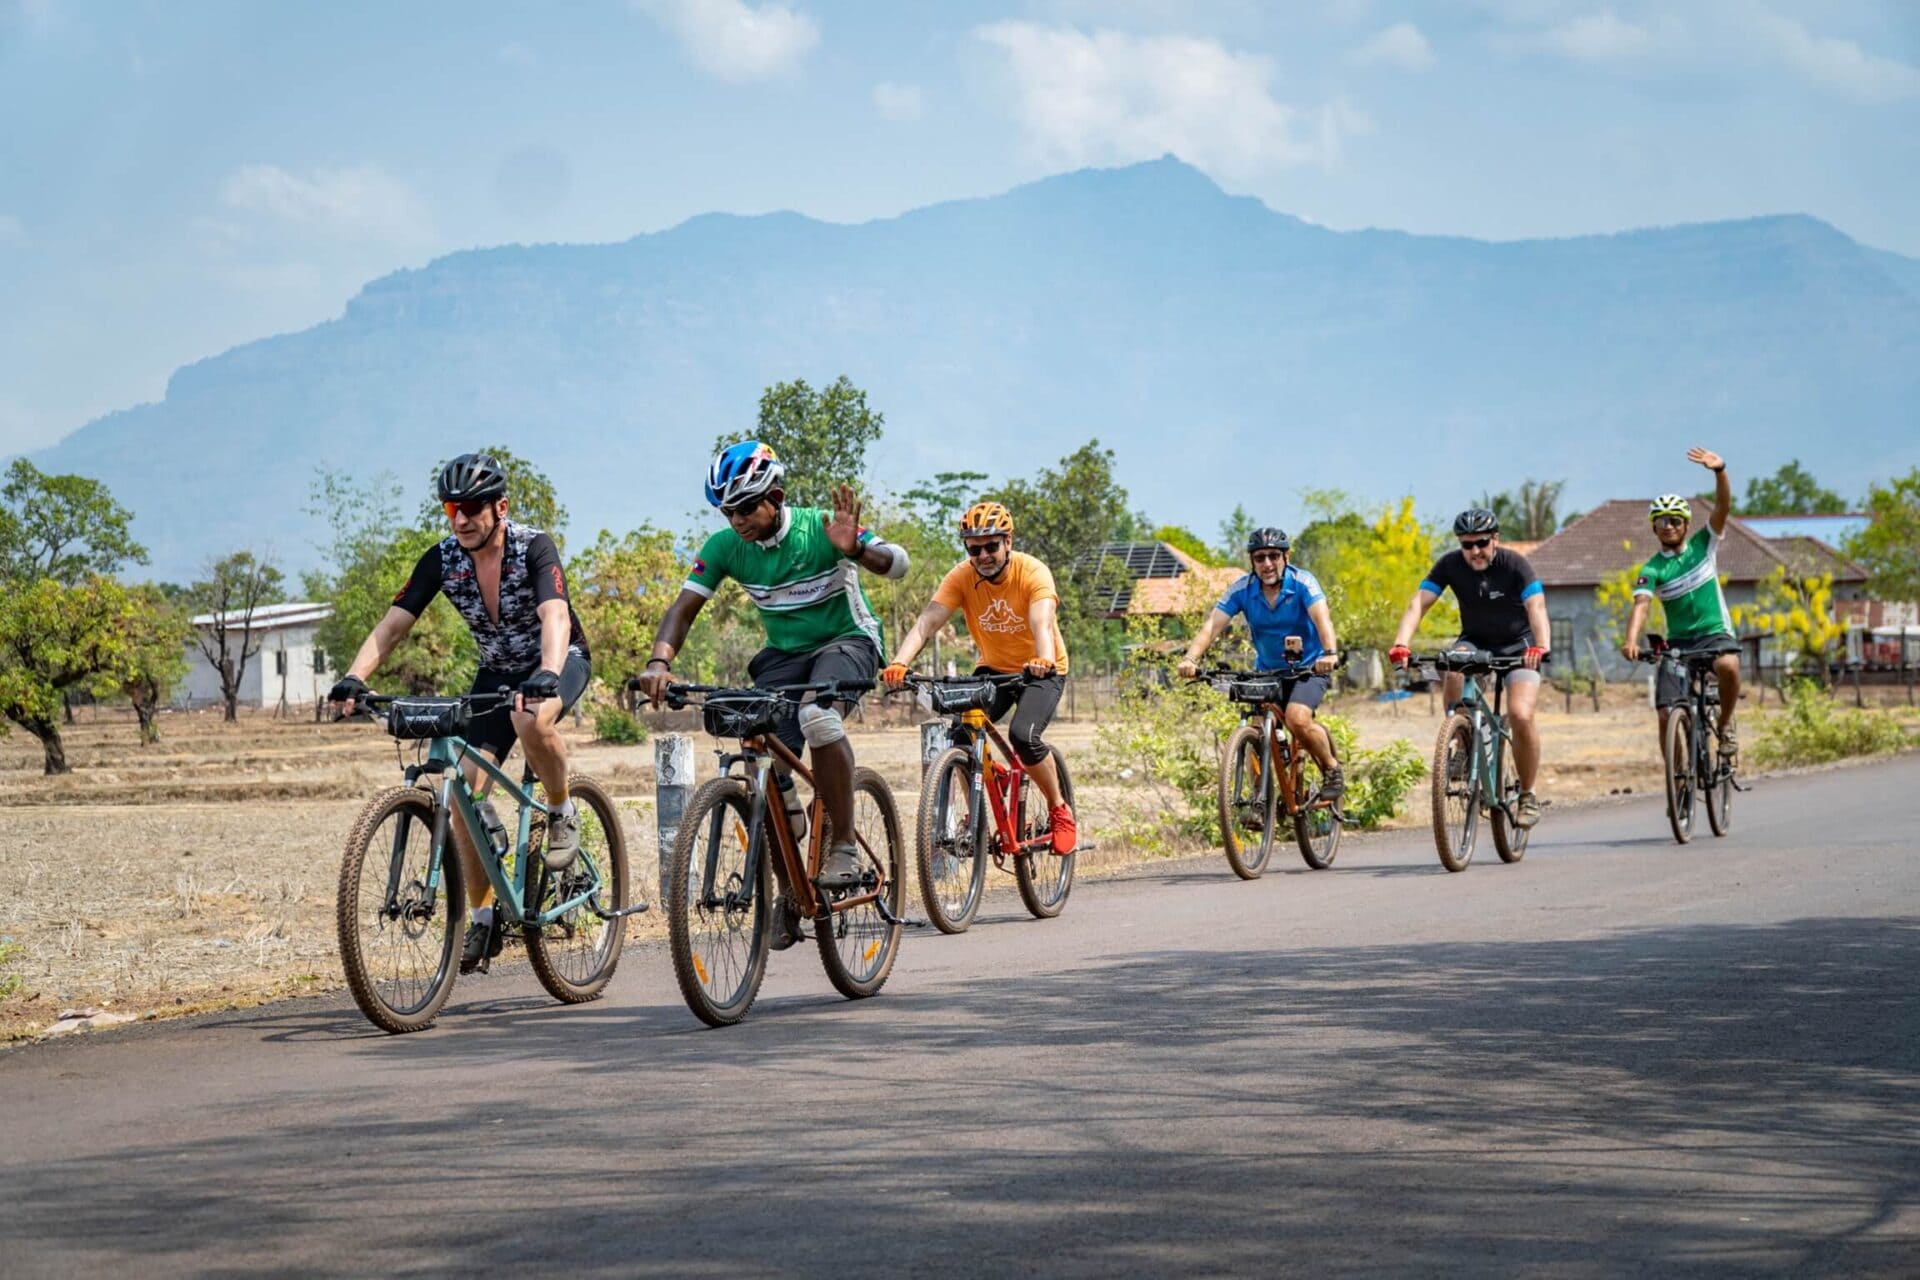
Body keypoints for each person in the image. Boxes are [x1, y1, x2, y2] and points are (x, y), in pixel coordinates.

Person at [329, 452, 592, 973]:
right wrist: (355, 677)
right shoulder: (443, 559)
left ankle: (561, 812)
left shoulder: (533, 547)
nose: (462, 518)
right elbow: (392, 627)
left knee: (530, 719)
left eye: (473, 507)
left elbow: (554, 615)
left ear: (500, 506)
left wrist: (546, 671)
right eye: (453, 508)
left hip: (557, 660)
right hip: (496, 672)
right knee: (465, 796)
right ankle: (483, 917)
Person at [636, 441, 909, 941]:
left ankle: (844, 844)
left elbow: (900, 564)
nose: (735, 520)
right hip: (784, 655)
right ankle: (791, 891)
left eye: (744, 508)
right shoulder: (725, 547)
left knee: (817, 718)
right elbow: (683, 608)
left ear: (775, 497)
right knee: (759, 760)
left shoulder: (819, 527)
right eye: (726, 510)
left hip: (847, 641)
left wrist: (857, 550)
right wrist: (659, 662)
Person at [881, 500, 1077, 854]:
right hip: (995, 668)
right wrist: (899, 663)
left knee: (1024, 736)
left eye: (991, 546)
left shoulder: (1033, 572)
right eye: (975, 549)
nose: (983, 555)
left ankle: (1059, 809)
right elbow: (927, 623)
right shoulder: (961, 576)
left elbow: (1042, 623)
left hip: (1043, 670)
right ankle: (977, 819)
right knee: (961, 734)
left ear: (1008, 542)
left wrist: (1043, 659)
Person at [1388, 507, 1551, 827]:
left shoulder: (1515, 564)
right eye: (1466, 545)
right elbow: (1418, 603)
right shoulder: (1449, 564)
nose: (1474, 551)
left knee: (1520, 714)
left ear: (1496, 540)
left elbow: (1537, 606)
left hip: (1520, 647)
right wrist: (1401, 643)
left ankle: (1528, 794)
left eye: (1481, 543)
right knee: (1451, 666)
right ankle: (1462, 740)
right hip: (1475, 642)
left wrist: (1540, 645)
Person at [1177, 527, 1345, 800]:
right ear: (1252, 562)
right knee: (1256, 731)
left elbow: (1322, 619)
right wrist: (1190, 659)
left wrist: (1330, 653)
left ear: (1285, 557)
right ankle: (1259, 800)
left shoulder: (1303, 582)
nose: (1267, 564)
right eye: (1259, 558)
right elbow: (1212, 625)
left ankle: (1331, 768)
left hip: (1309, 668)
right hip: (1267, 671)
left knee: (1297, 719)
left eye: (1273, 556)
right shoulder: (1243, 589)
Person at [1622, 447, 1742, 767]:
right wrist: (1631, 640)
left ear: (1686, 524)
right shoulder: (1652, 569)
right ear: (1653, 527)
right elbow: (1642, 605)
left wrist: (1720, 471)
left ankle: (1726, 725)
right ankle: (1677, 779)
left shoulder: (1705, 545)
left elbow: (1724, 506)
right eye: (1661, 521)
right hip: (1678, 644)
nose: (1668, 526)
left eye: (1675, 520)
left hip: (1714, 633)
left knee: (1729, 667)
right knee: (1665, 712)